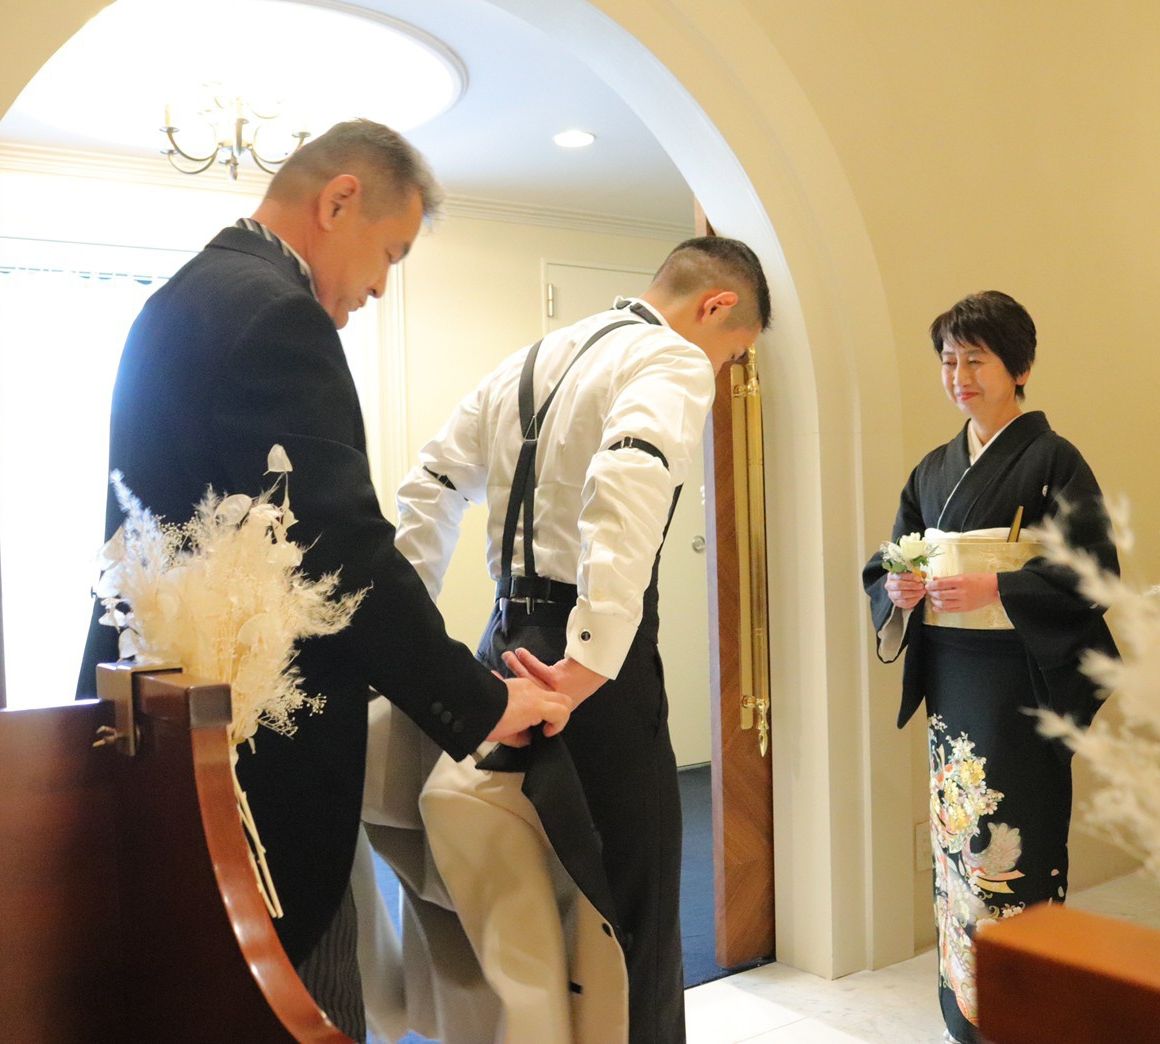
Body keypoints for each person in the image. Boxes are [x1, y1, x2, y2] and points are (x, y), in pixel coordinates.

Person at [75, 120, 569, 1041]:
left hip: (160, 726)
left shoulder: (177, 299)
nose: (381, 287)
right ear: (339, 201)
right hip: (257, 756)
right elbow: (341, 550)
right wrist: (481, 701)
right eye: (390, 253)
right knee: (301, 996)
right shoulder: (277, 316)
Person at [392, 236, 771, 1043]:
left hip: (503, 646)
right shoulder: (672, 360)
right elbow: (629, 475)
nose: (724, 368)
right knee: (629, 900)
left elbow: (432, 484)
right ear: (717, 306)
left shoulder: (527, 361)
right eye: (734, 352)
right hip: (582, 671)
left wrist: (410, 629)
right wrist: (592, 657)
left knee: (523, 890)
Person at [861, 291, 1118, 1044]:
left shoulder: (1054, 460)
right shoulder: (932, 470)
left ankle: (1028, 1012)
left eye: (976, 359)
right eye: (949, 360)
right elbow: (890, 558)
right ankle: (967, 1011)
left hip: (1019, 681)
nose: (959, 376)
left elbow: (1095, 569)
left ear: (1021, 368)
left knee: (1018, 841)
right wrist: (898, 588)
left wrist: (998, 587)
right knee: (958, 848)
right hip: (953, 677)